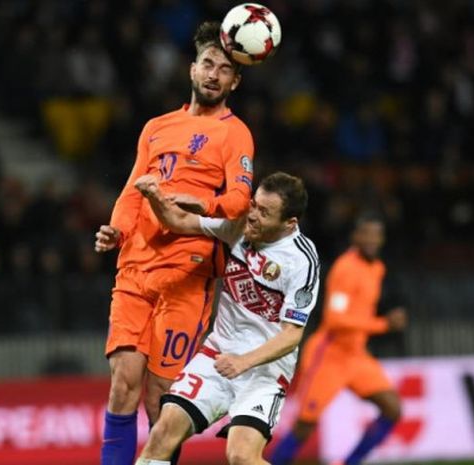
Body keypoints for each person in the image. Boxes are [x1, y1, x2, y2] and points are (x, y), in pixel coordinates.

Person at [94, 21, 254, 465]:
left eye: (224, 69)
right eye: (207, 64)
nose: (213, 74)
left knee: (161, 399)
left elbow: (240, 200)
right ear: (191, 68)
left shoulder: (234, 133)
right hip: (136, 264)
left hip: (189, 271)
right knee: (123, 383)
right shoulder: (156, 127)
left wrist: (198, 200)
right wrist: (117, 230)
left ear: (234, 81)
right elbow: (131, 190)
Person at [133, 171, 320, 465]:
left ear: (289, 223)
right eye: (255, 205)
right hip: (216, 356)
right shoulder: (240, 224)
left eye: (264, 212)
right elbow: (179, 221)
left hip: (264, 372)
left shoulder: (301, 261)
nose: (253, 215)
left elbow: (292, 335)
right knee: (161, 434)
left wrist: (243, 362)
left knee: (241, 457)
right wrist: (154, 195)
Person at [271, 213, 407, 465]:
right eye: (366, 233)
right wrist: (384, 324)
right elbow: (335, 319)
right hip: (329, 355)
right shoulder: (345, 269)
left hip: (356, 356)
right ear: (355, 237)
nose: (371, 239)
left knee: (392, 408)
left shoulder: (377, 268)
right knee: (305, 426)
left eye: (376, 234)